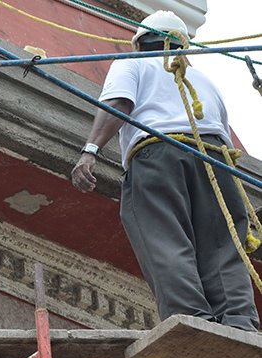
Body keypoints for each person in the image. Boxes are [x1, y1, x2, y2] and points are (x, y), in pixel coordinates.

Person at [70, 10, 259, 332]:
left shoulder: (132, 64)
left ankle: (191, 318)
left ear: (141, 42)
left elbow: (118, 104)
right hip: (217, 162)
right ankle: (241, 321)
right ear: (182, 45)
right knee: (222, 243)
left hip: (158, 154)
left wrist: (90, 151)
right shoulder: (204, 80)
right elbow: (220, 128)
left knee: (164, 236)